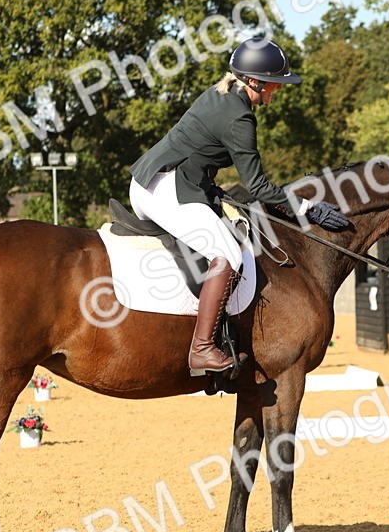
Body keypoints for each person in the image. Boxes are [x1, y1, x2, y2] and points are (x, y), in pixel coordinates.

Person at [129, 37, 349, 375]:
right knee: (229, 254)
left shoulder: (221, 94)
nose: (278, 89)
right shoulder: (240, 117)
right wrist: (307, 208)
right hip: (167, 188)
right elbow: (258, 186)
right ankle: (201, 349)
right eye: (275, 83)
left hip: (154, 181)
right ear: (255, 81)